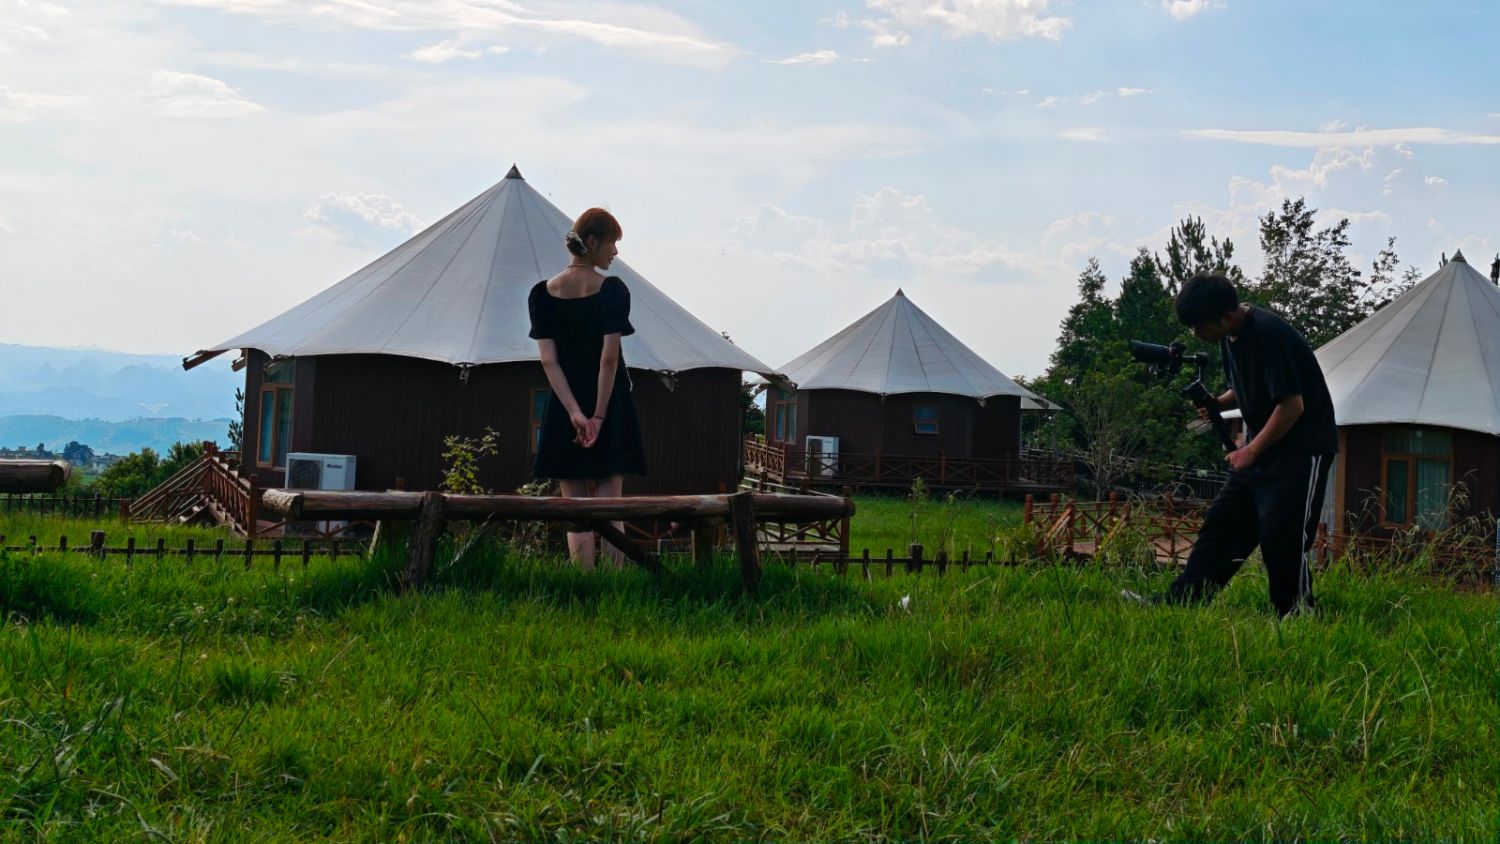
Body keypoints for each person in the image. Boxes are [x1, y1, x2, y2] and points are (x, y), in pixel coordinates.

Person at [1123, 273, 1338, 617]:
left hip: (1301, 449)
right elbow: (1244, 385)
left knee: (1282, 537)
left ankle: (1296, 614)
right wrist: (1218, 402)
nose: (1196, 334)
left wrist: (1250, 451)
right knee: (1221, 527)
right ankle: (1183, 602)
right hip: (1263, 446)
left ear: (1226, 317)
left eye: (1199, 326)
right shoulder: (1230, 335)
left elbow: (1291, 405)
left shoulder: (1270, 335)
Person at [527, 207, 647, 568]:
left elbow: (549, 361)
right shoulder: (612, 290)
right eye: (612, 243)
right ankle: (613, 586)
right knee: (611, 502)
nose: (616, 252)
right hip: (609, 402)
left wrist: (575, 413)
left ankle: (584, 582)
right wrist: (598, 415)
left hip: (566, 406)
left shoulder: (541, 294)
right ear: (592, 242)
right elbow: (608, 360)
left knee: (576, 507)